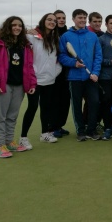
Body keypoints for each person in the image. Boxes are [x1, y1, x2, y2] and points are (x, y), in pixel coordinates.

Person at [0, 16, 37, 158]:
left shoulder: (24, 45)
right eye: (14, 25)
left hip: (19, 86)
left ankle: (9, 142)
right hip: (2, 86)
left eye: (20, 25)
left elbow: (29, 66)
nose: (17, 28)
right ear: (8, 26)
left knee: (12, 116)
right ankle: (0, 145)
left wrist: (31, 83)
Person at [19, 13, 62, 150]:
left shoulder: (55, 39)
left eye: (54, 21)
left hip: (49, 80)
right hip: (34, 80)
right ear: (43, 21)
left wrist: (54, 73)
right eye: (49, 19)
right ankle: (23, 138)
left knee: (46, 107)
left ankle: (44, 134)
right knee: (32, 107)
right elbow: (19, 39)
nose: (52, 22)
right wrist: (26, 31)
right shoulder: (31, 36)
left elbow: (56, 60)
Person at [58, 9, 102, 141]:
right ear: (73, 19)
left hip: (91, 77)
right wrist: (73, 63)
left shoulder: (93, 36)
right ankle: (81, 131)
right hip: (74, 77)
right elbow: (61, 56)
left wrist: (95, 73)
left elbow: (98, 56)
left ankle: (91, 130)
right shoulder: (66, 36)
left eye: (84, 17)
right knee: (76, 104)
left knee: (94, 102)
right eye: (79, 17)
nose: (82, 20)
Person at [52, 10, 71, 138]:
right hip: (53, 74)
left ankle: (59, 125)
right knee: (54, 101)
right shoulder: (50, 33)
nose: (61, 20)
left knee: (65, 101)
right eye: (58, 18)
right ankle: (52, 127)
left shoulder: (69, 33)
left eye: (63, 18)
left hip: (67, 72)